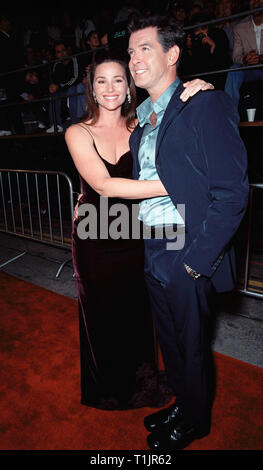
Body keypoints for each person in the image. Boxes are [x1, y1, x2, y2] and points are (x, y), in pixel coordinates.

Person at [125, 14, 249, 450]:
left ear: (173, 54)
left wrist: (198, 260)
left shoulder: (205, 103)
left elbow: (232, 193)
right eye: (130, 52)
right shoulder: (142, 120)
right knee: (171, 338)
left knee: (193, 342)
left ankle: (196, 420)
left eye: (145, 49)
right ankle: (184, 402)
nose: (134, 59)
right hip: (152, 240)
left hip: (186, 244)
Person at [65, 52, 213, 410]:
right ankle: (109, 386)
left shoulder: (146, 124)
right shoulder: (77, 131)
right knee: (102, 313)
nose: (111, 88)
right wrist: (177, 185)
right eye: (102, 81)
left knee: (138, 312)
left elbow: (182, 110)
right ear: (92, 89)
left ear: (129, 87)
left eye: (119, 79)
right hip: (95, 236)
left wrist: (201, 89)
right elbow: (104, 185)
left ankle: (142, 380)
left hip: (136, 232)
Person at [224, 0, 263, 111]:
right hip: (250, 69)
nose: (255, 2)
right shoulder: (240, 27)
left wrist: (260, 58)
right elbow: (236, 57)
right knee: (234, 70)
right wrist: (245, 59)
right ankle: (229, 114)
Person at [46, 41, 83, 133]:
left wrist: (59, 86)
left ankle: (75, 123)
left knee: (72, 90)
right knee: (54, 94)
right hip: (63, 89)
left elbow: (76, 78)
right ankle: (56, 125)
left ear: (67, 50)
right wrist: (53, 86)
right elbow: (55, 80)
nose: (62, 53)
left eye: (63, 50)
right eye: (58, 52)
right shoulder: (57, 64)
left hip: (74, 87)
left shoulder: (74, 59)